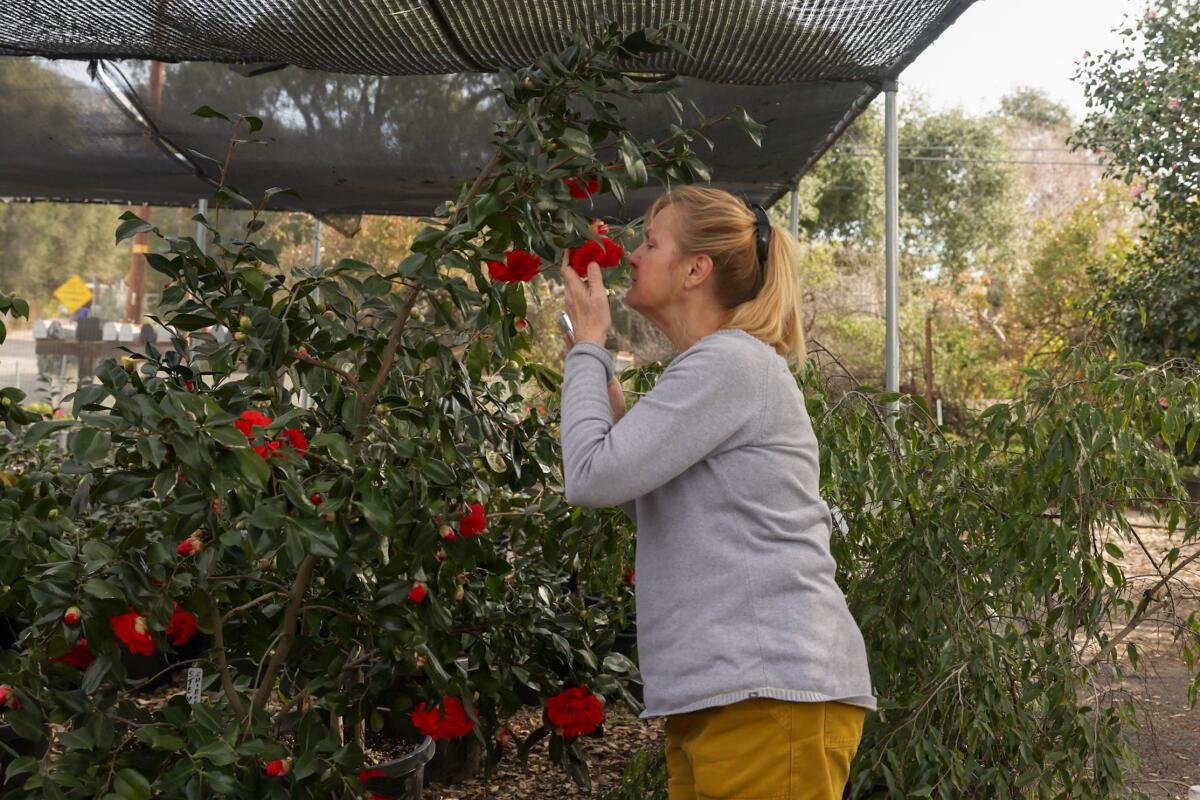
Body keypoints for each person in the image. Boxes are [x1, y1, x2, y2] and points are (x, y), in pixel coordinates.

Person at [558, 185, 876, 800]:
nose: (632, 255)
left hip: (766, 691)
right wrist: (589, 354)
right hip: (732, 692)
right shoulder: (714, 368)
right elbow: (633, 484)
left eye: (651, 243)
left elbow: (590, 476)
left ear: (695, 270)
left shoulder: (730, 364)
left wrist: (592, 347)